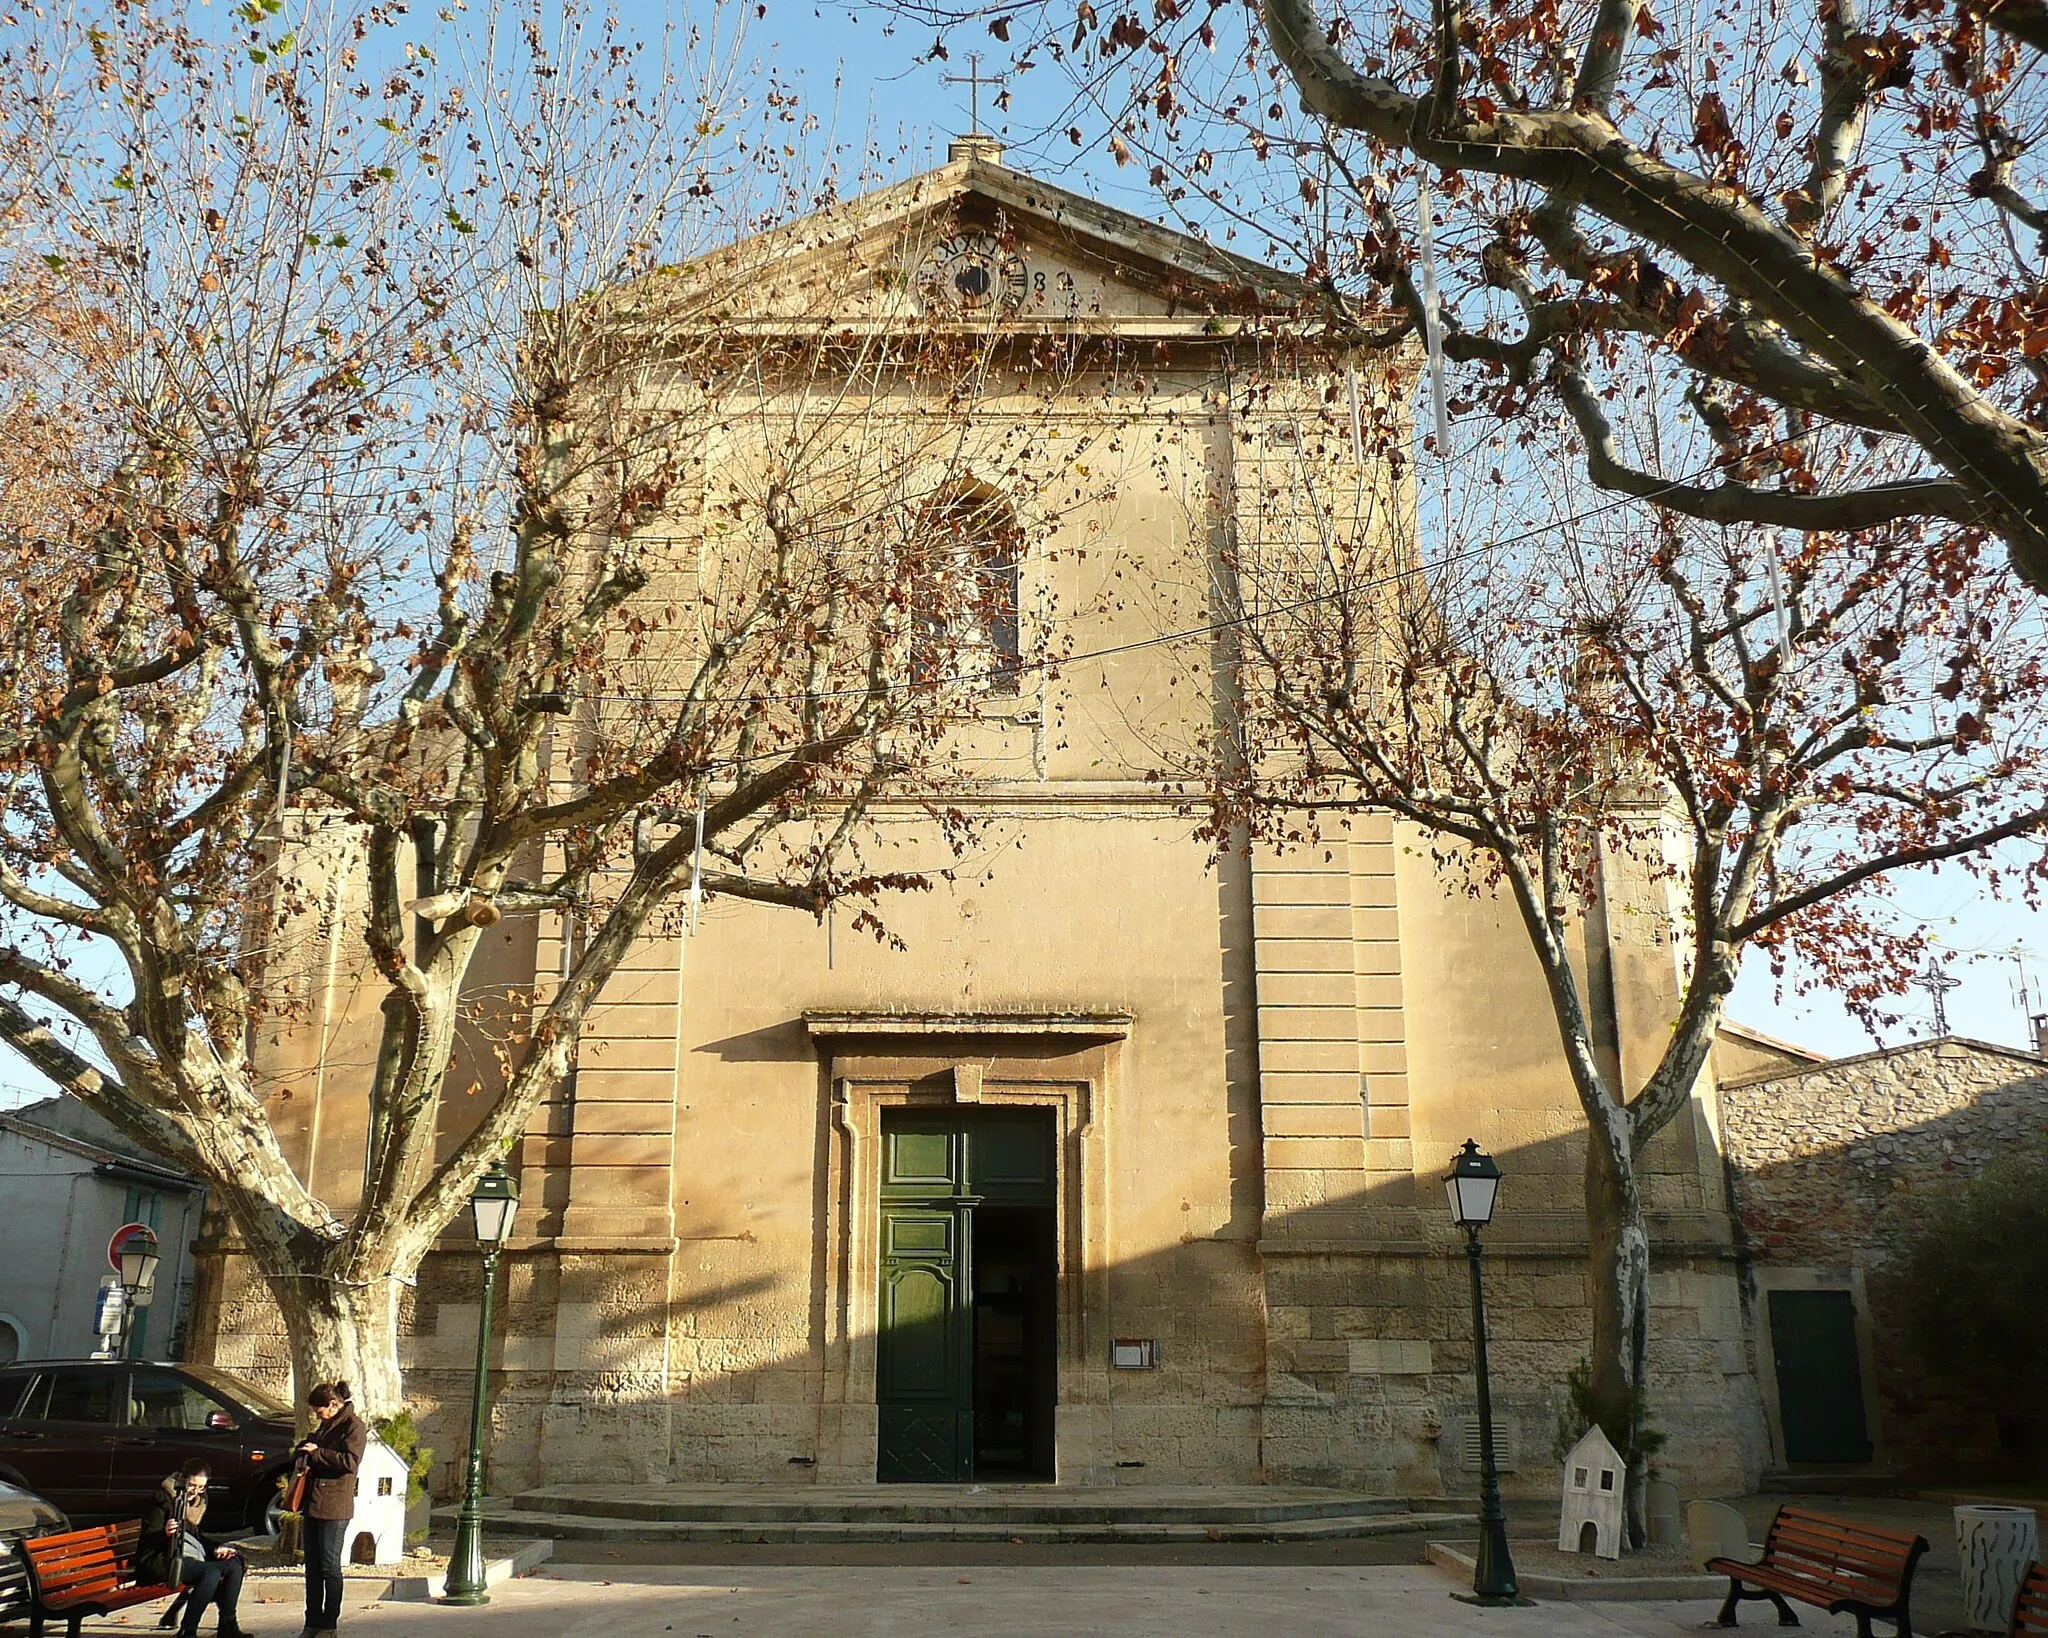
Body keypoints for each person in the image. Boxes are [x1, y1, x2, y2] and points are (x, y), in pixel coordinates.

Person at [137, 1459, 253, 1638]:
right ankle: (188, 1630)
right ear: (182, 1481)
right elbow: (148, 1537)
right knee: (211, 1572)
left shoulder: (196, 1504)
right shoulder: (162, 1499)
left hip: (185, 1555)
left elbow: (194, 1538)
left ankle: (228, 1624)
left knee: (235, 1563)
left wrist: (216, 1549)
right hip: (159, 1559)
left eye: (201, 1488)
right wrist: (165, 1532)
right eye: (192, 1486)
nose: (196, 1491)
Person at [293, 1379, 367, 1638]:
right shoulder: (326, 1425)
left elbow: (350, 1462)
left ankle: (328, 1625)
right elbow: (310, 1447)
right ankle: (311, 1621)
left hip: (335, 1507)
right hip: (312, 1503)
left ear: (334, 1405)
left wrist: (317, 1453)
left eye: (320, 1411)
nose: (317, 1415)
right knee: (311, 1567)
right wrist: (303, 1451)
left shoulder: (354, 1427)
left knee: (329, 1567)